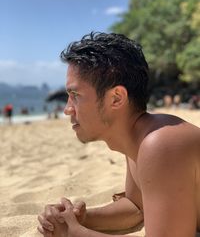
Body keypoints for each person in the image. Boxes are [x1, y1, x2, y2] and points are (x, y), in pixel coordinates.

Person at [38, 32, 200, 237]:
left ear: (116, 98)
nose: (67, 109)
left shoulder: (161, 144)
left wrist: (73, 233)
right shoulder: (138, 139)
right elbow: (136, 208)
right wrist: (80, 219)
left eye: (75, 96)